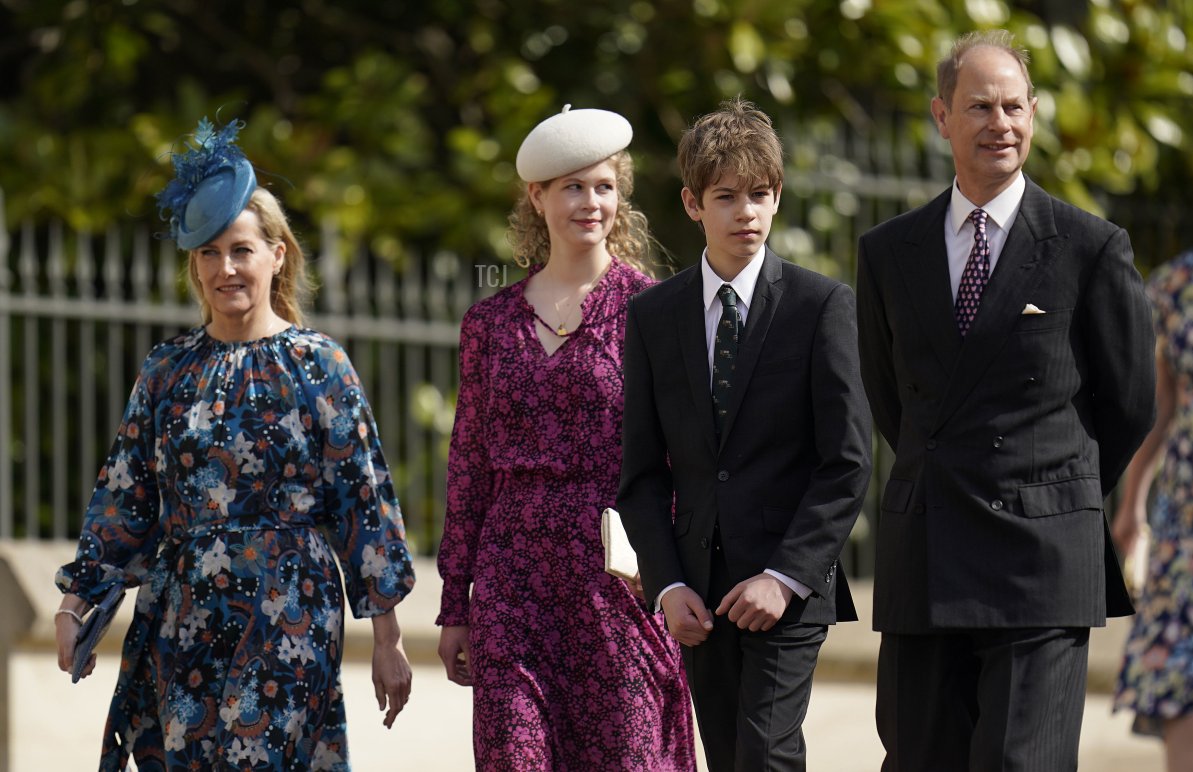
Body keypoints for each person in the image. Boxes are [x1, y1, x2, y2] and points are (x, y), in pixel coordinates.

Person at [53, 117, 416, 771]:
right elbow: (124, 493)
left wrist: (388, 640)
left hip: (289, 610)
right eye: (209, 253)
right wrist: (76, 600)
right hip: (182, 611)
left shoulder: (318, 364)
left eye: (242, 249)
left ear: (278, 254)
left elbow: (363, 499)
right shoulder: (168, 369)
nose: (226, 268)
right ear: (194, 264)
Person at [856, 29, 1156, 771]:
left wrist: (1049, 486)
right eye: (980, 106)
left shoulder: (1091, 247)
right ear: (941, 117)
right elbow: (890, 398)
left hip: (1042, 562)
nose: (1001, 123)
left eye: (1015, 107)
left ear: (1033, 115)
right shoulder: (888, 251)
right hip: (926, 554)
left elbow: (1129, 404)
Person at [435, 106, 696, 770]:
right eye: (573, 187)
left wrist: (671, 578)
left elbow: (683, 459)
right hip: (511, 582)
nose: (590, 202)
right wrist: (453, 604)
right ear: (537, 197)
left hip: (617, 582)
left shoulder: (654, 310)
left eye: (604, 186)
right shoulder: (488, 323)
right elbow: (468, 467)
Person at [617, 97, 872, 770]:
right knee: (729, 757)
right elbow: (642, 475)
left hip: (787, 588)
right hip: (698, 592)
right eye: (726, 196)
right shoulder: (652, 316)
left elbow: (847, 461)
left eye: (761, 194)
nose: (747, 213)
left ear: (778, 196)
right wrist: (667, 587)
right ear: (693, 203)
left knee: (766, 753)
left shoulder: (822, 306)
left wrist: (785, 577)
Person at [1112, 245, 1193, 771]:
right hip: (1187, 523)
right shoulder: (1179, 283)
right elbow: (1160, 403)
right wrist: (1132, 503)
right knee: (1182, 682)